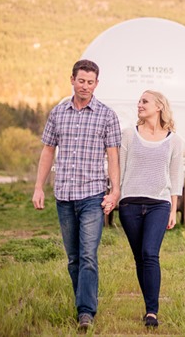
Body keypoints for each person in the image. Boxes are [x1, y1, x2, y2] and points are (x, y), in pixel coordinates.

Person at [32, 59, 121, 331]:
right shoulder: (58, 113)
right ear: (72, 79)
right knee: (73, 258)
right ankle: (82, 300)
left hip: (92, 195)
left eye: (90, 82)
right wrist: (39, 186)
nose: (85, 86)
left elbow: (113, 157)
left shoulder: (107, 115)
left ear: (97, 84)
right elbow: (48, 151)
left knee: (88, 255)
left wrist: (115, 190)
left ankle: (85, 312)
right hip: (64, 197)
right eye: (81, 80)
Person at [118, 90, 183, 328]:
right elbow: (119, 170)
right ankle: (149, 305)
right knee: (139, 258)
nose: (139, 105)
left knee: (150, 254)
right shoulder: (128, 135)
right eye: (139, 101)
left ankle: (151, 312)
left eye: (144, 101)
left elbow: (176, 176)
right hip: (130, 204)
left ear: (159, 106)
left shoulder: (174, 140)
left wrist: (173, 208)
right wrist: (116, 195)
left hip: (159, 203)